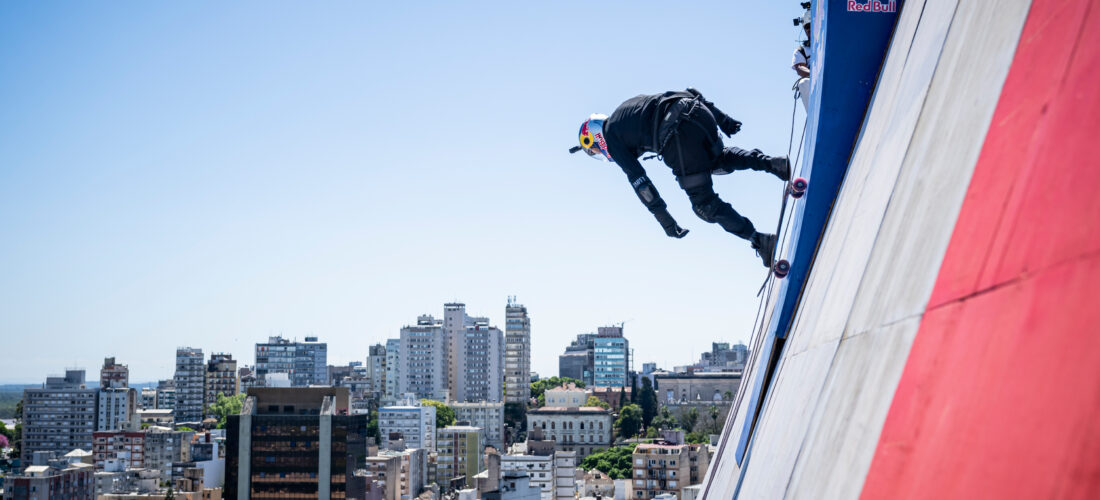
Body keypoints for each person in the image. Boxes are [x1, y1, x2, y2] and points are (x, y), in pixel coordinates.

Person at [569, 88, 790, 268]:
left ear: (596, 137)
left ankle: (761, 241)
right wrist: (723, 119)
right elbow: (685, 92)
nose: (602, 154)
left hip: (676, 134)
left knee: (704, 205)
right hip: (697, 111)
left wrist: (666, 221)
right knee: (716, 159)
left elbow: (640, 183)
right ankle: (774, 164)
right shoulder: (628, 108)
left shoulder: (612, 137)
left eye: (596, 151)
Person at [793, 11, 812, 109]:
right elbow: (799, 67)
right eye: (806, 26)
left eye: (811, 25)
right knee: (803, 83)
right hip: (814, 81)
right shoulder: (801, 50)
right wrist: (815, 74)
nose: (809, 29)